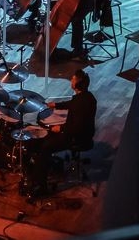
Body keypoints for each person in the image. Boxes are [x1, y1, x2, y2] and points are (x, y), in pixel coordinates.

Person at [28, 69, 97, 197]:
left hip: (76, 138)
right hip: (86, 135)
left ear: (77, 84)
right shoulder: (88, 97)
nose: (71, 80)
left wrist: (61, 128)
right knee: (48, 136)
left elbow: (77, 128)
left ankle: (41, 186)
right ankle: (46, 167)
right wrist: (56, 105)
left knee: (45, 146)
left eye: (73, 79)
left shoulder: (79, 103)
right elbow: (72, 104)